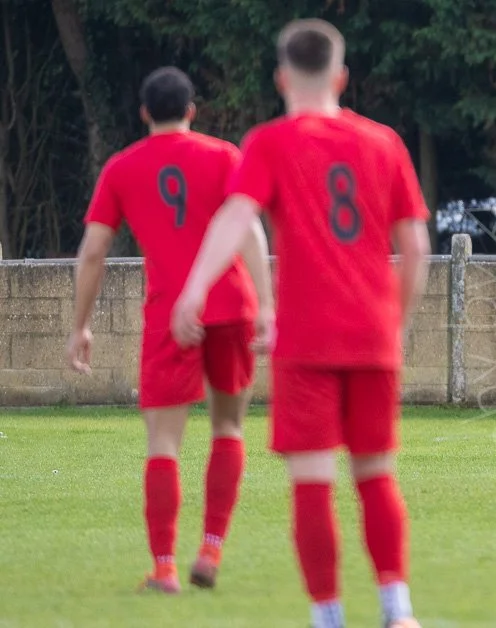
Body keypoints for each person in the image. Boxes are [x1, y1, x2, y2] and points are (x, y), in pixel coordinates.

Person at [169, 19, 429, 628]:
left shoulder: (270, 142)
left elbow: (235, 218)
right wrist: (397, 321)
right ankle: (398, 609)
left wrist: (194, 289)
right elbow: (415, 245)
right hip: (371, 334)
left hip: (306, 339)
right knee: (375, 474)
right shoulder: (384, 141)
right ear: (340, 76)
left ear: (283, 77)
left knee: (312, 482)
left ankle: (328, 617)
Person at [65, 67, 271, 594]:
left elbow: (92, 252)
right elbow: (248, 229)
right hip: (231, 306)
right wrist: (267, 304)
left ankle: (163, 568)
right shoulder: (225, 156)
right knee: (228, 430)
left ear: (142, 113)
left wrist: (81, 325)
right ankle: (210, 550)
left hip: (168, 315)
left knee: (163, 445)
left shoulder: (121, 168)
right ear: (192, 110)